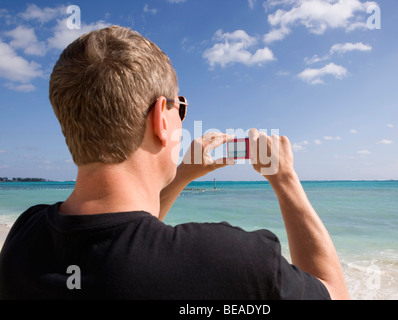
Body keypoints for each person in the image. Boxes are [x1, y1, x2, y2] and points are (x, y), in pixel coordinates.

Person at [0, 26, 349, 300]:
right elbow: (333, 295)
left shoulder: (25, 236)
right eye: (179, 108)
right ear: (161, 120)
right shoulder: (232, 261)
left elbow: (124, 238)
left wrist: (182, 174)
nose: (181, 119)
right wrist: (285, 180)